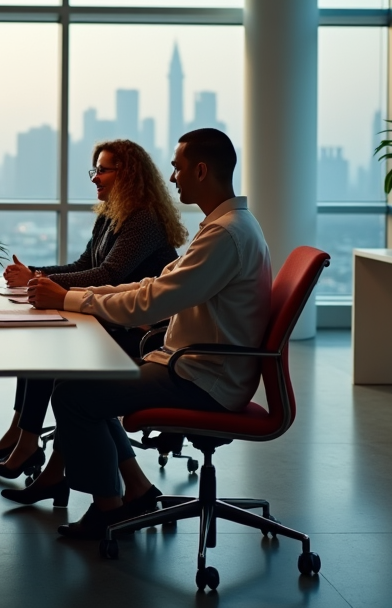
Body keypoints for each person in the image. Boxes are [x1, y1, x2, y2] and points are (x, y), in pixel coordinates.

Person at [27, 128, 272, 539]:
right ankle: (135, 492)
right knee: (86, 384)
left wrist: (68, 299)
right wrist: (71, 294)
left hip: (203, 379)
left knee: (72, 394)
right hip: (195, 366)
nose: (172, 177)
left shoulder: (225, 235)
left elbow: (151, 302)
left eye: (177, 168)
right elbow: (148, 285)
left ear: (200, 169)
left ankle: (110, 510)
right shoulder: (224, 226)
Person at [0, 140, 186, 500]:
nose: (95, 178)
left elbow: (110, 273)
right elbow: (83, 267)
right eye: (95, 170)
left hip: (142, 333)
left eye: (103, 170)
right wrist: (36, 273)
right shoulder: (111, 214)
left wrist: (42, 283)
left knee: (63, 363)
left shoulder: (144, 219)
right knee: (48, 344)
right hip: (112, 319)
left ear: (129, 175)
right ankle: (44, 455)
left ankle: (33, 448)